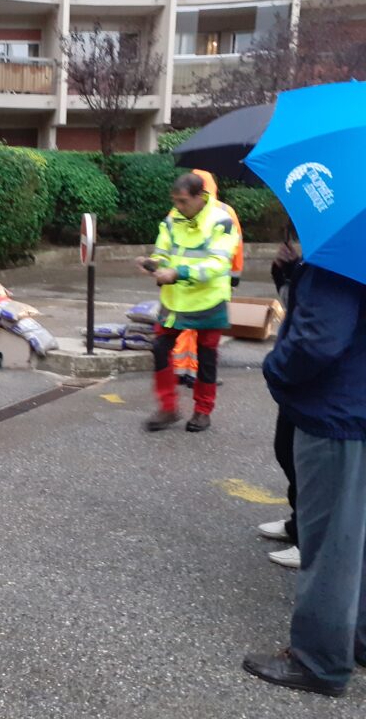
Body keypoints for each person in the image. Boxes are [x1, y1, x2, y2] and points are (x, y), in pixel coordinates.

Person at [243, 260, 366, 698]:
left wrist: (275, 369)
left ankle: (319, 660)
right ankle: (357, 639)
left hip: (338, 411)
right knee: (357, 537)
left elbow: (318, 339)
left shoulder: (339, 257)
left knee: (331, 544)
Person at [137, 173, 238, 433]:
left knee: (206, 357)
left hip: (208, 299)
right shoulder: (172, 219)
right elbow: (162, 252)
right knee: (160, 347)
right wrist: (152, 264)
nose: (178, 207)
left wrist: (178, 273)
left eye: (183, 201)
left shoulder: (221, 221)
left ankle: (203, 411)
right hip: (176, 299)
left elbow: (218, 263)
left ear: (200, 197)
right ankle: (168, 408)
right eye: (175, 201)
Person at [172, 170, 244, 388]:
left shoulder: (177, 210)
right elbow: (236, 247)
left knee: (184, 327)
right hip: (212, 284)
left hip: (181, 283)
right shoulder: (225, 211)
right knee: (207, 336)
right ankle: (198, 375)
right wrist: (234, 276)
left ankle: (180, 369)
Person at [256, 240, 302, 570]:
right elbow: (292, 304)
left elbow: (319, 338)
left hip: (322, 389)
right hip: (299, 387)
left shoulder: (338, 267)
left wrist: (275, 368)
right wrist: (284, 271)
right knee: (287, 451)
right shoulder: (312, 265)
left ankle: (311, 538)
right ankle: (298, 522)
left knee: (309, 464)